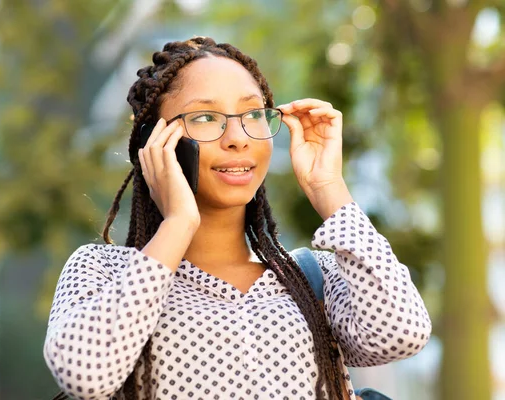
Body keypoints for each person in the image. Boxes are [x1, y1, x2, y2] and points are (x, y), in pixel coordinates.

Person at [43, 36, 431, 400]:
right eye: (206, 118)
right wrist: (178, 224)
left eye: (251, 113)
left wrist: (327, 186)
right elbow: (85, 373)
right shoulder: (104, 271)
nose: (238, 137)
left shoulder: (315, 276)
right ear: (154, 143)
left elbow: (402, 333)